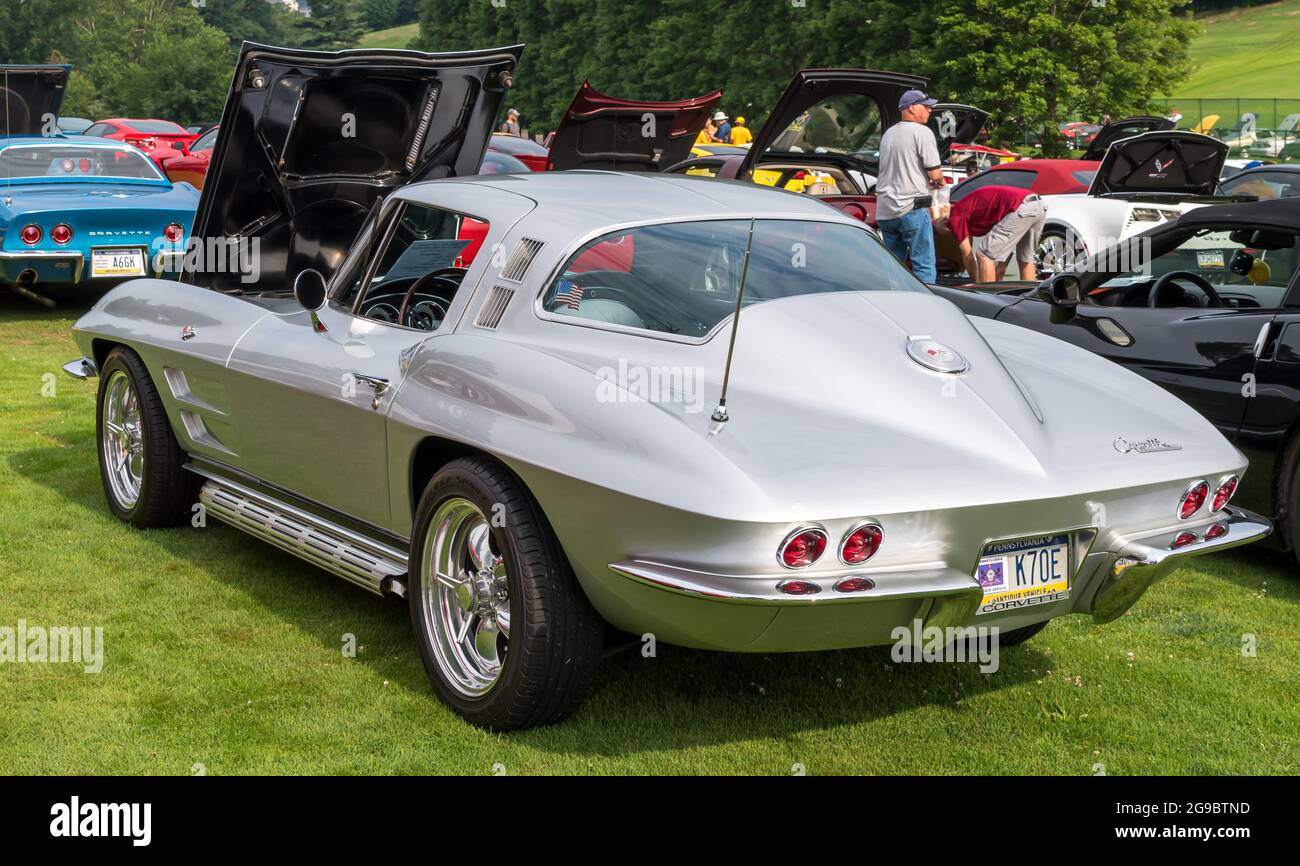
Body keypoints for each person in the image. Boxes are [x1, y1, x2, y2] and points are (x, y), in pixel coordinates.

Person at [875, 89, 944, 284]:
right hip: (911, 207)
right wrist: (940, 182)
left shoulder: (889, 133)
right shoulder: (922, 132)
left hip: (886, 210)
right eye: (926, 106)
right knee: (923, 263)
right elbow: (934, 173)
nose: (930, 110)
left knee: (893, 265)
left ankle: (893, 301)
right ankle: (926, 304)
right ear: (912, 108)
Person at [938, 184, 1046, 283]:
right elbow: (1007, 242)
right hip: (1038, 204)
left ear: (943, 223)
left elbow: (968, 256)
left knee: (984, 255)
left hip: (1019, 206)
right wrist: (1001, 269)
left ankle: (987, 297)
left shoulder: (955, 217)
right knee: (1025, 258)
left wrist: (976, 283)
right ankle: (1027, 298)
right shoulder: (969, 209)